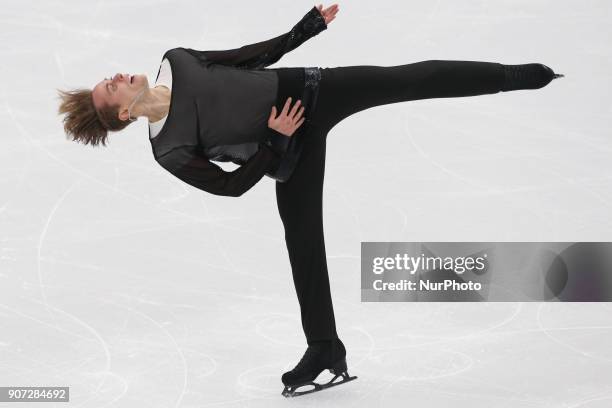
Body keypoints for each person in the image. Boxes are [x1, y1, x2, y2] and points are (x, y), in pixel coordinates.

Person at [56, 3, 564, 397]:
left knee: (406, 78)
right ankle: (325, 348)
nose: (118, 75)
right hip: (286, 150)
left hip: (312, 91)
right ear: (122, 115)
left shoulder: (178, 61)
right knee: (304, 246)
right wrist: (276, 140)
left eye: (111, 76)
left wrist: (304, 29)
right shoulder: (169, 149)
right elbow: (228, 186)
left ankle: (513, 75)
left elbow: (249, 57)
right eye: (111, 87)